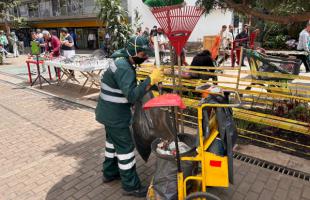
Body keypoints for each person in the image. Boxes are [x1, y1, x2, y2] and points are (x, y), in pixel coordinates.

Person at [95, 35, 164, 198]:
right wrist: (150, 80)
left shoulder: (119, 58)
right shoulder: (124, 67)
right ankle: (131, 185)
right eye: (142, 55)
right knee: (125, 149)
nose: (145, 57)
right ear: (133, 52)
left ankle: (110, 172)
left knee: (112, 144)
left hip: (107, 112)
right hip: (115, 116)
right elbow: (132, 96)